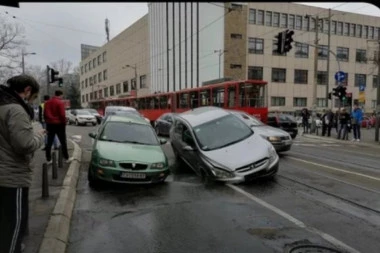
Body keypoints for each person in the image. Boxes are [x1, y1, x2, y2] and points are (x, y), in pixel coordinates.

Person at [0, 74, 45, 253]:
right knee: (13, 228)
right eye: (33, 97)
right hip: (12, 178)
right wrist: (39, 135)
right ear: (27, 90)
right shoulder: (16, 109)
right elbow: (25, 145)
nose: (32, 100)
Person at [44, 90, 73, 164]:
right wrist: (64, 122)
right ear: (61, 95)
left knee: (49, 142)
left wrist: (47, 121)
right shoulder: (60, 103)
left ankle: (48, 159)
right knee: (63, 141)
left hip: (50, 124)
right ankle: (66, 157)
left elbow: (45, 114)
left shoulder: (47, 103)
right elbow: (62, 115)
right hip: (59, 124)